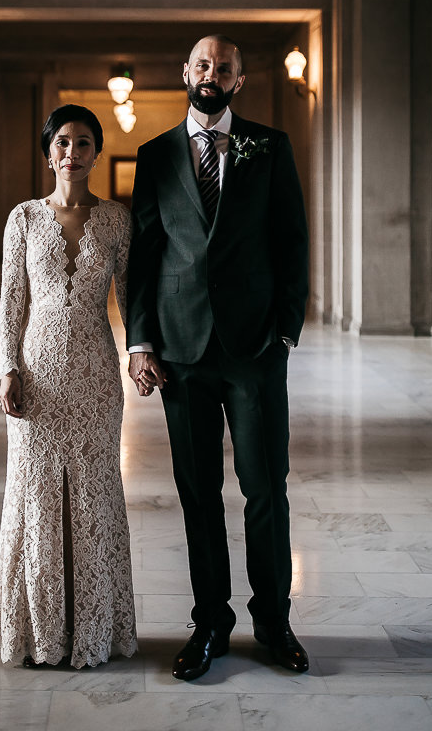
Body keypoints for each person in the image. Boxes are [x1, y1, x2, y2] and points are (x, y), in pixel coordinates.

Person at [126, 34, 309, 681]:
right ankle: (210, 623)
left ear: (240, 80)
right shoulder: (154, 156)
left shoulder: (269, 146)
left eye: (223, 68)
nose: (211, 74)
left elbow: (291, 240)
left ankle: (274, 620)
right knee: (198, 493)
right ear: (185, 72)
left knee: (266, 489)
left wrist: (285, 330)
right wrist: (141, 341)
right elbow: (144, 255)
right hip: (181, 351)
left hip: (255, 348)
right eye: (202, 64)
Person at [0, 104, 137, 670]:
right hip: (39, 371)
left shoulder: (118, 220)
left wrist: (141, 354)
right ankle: (39, 631)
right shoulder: (23, 218)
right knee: (35, 491)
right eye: (62, 143)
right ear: (48, 153)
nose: (71, 153)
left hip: (97, 369)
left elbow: (130, 296)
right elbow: (10, 300)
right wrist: (8, 367)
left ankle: (95, 626)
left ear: (96, 153)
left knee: (95, 492)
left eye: (82, 143)